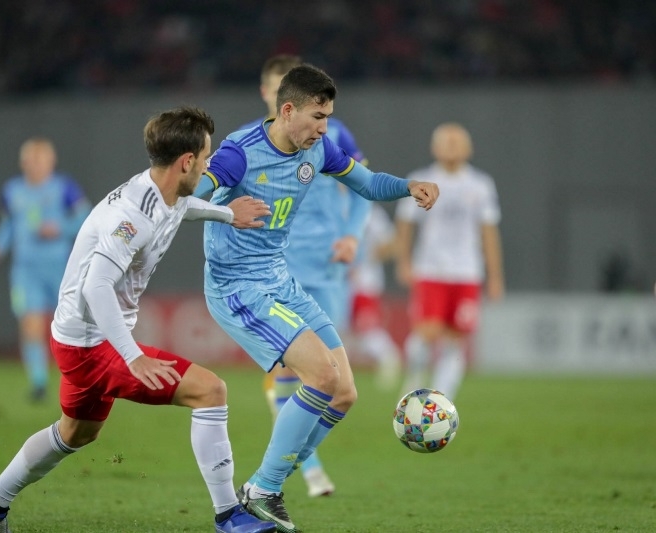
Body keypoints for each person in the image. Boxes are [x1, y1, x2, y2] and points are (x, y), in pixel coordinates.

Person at [0, 106, 277, 533]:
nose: (209, 165)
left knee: (76, 433)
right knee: (211, 391)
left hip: (77, 338)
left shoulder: (163, 191)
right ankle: (228, 516)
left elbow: (181, 208)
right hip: (91, 344)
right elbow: (96, 287)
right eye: (206, 157)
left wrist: (226, 214)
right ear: (186, 162)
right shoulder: (132, 215)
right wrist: (132, 355)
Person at [194, 64, 439, 533]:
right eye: (318, 117)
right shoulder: (239, 153)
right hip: (237, 287)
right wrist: (225, 212)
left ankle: (264, 486)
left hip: (281, 280)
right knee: (322, 375)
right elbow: (183, 200)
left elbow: (368, 184)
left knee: (344, 392)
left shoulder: (319, 149)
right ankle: (264, 489)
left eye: (328, 117)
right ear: (288, 111)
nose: (325, 128)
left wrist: (408, 187)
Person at [239, 54, 372, 499]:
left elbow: (364, 188)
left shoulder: (331, 133)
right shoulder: (246, 146)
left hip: (327, 266)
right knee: (294, 372)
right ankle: (305, 471)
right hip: (276, 270)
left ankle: (275, 475)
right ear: (270, 95)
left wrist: (352, 236)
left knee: (335, 380)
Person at [394, 122, 504, 400]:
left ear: (469, 148)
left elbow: (489, 232)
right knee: (426, 333)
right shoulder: (420, 179)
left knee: (456, 340)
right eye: (446, 142)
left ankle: (441, 401)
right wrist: (403, 261)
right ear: (434, 148)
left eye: (457, 142)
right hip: (431, 269)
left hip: (467, 272)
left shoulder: (480, 185)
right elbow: (405, 223)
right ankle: (414, 379)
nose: (452, 147)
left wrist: (495, 277)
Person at [0, 138, 91, 401]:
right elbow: (8, 223)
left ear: (51, 162)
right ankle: (39, 383)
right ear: (23, 163)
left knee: (69, 325)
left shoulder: (65, 187)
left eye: (41, 160)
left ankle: (77, 380)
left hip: (61, 268)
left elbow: (86, 217)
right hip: (25, 271)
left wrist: (60, 228)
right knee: (30, 324)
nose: (36, 165)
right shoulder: (12, 190)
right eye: (31, 160)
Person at [347, 204, 403, 391]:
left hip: (365, 283)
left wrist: (365, 258)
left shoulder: (371, 213)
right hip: (337, 283)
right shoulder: (333, 205)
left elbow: (392, 244)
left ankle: (389, 358)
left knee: (367, 329)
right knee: (340, 327)